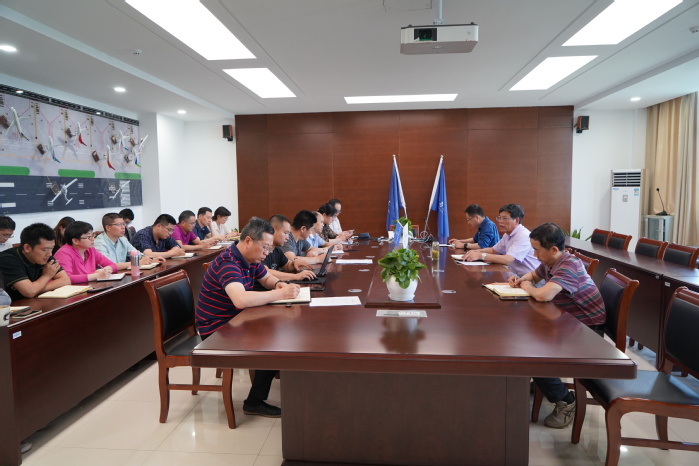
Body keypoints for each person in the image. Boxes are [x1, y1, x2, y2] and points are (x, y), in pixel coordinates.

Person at [196, 217, 301, 418]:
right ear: (248, 241)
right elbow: (240, 300)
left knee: (277, 331)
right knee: (272, 342)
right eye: (265, 247)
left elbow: (267, 278)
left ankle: (275, 378)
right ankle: (254, 402)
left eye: (270, 248)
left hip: (235, 320)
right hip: (217, 329)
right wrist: (280, 294)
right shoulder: (228, 262)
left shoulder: (250, 259)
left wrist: (278, 284)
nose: (267, 253)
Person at [508, 223, 606, 429]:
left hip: (587, 331)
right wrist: (520, 280)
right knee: (522, 337)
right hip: (569, 321)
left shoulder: (569, 264)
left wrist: (526, 286)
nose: (534, 255)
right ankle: (545, 381)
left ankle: (565, 401)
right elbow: (533, 276)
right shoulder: (551, 261)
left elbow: (543, 295)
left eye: (537, 250)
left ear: (553, 249)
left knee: (531, 351)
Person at [462, 203, 540, 277]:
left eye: (505, 218)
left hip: (531, 280)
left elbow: (508, 260)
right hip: (515, 277)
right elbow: (493, 250)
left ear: (516, 220)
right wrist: (475, 252)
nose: (500, 221)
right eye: (499, 218)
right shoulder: (507, 234)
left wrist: (481, 255)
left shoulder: (523, 235)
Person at [0, 223, 71, 301]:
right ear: (27, 248)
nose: (50, 254)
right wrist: (46, 276)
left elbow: (66, 280)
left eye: (52, 248)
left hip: (35, 301)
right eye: (45, 249)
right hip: (13, 306)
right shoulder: (7, 259)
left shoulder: (46, 256)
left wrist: (35, 288)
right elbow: (30, 292)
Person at [260, 214, 316, 285]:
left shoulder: (277, 250)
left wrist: (294, 263)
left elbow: (287, 266)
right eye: (285, 233)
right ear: (273, 230)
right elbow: (265, 272)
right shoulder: (261, 250)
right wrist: (296, 276)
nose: (287, 238)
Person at [94, 213, 161, 268]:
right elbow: (110, 265)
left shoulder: (122, 239)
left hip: (121, 275)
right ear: (108, 227)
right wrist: (136, 262)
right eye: (119, 224)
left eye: (124, 224)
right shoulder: (99, 243)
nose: (123, 227)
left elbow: (137, 254)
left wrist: (151, 259)